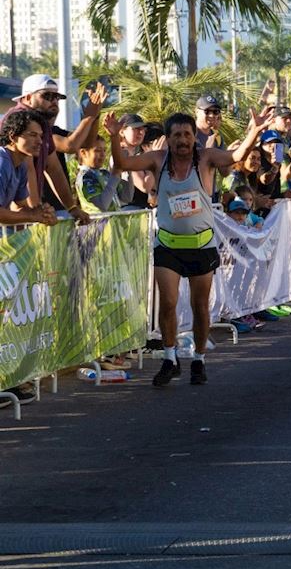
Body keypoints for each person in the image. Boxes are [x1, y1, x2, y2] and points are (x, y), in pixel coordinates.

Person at [105, 106, 273, 387]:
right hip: (168, 245)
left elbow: (235, 156)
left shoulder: (204, 158)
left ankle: (199, 359)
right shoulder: (158, 159)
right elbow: (122, 163)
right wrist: (113, 136)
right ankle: (170, 358)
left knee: (199, 306)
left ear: (194, 136)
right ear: (168, 139)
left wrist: (254, 131)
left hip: (201, 244)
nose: (182, 140)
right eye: (176, 135)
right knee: (168, 303)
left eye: (187, 134)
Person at [9, 74, 101, 222]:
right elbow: (28, 169)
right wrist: (36, 211)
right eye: (47, 96)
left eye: (56, 97)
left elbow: (53, 169)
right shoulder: (20, 121)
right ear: (27, 98)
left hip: (28, 214)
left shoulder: (42, 126)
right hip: (15, 215)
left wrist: (72, 208)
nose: (54, 101)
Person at [0, 109, 57, 226]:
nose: (40, 141)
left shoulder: (20, 166)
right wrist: (32, 216)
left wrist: (43, 214)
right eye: (33, 135)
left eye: (41, 136)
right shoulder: (2, 163)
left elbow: (20, 207)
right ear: (13, 137)